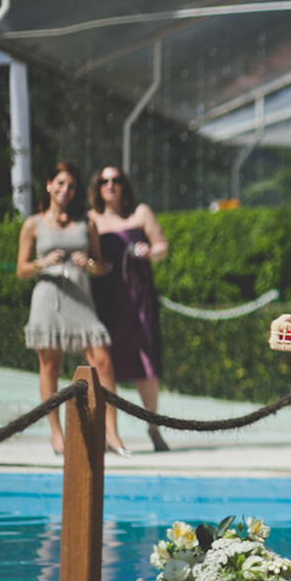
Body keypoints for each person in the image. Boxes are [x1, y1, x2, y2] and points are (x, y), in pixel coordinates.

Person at [16, 161, 129, 457]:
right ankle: (56, 435)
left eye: (71, 185)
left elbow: (101, 267)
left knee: (102, 359)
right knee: (49, 365)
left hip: (81, 298)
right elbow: (21, 270)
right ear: (49, 185)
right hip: (47, 299)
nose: (66, 190)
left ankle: (111, 434)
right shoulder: (33, 223)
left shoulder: (86, 223)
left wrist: (88, 263)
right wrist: (44, 262)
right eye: (61, 183)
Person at [88, 166, 171, 452]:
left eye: (116, 180)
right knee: (104, 365)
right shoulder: (91, 219)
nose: (110, 185)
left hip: (139, 299)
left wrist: (151, 251)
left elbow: (162, 246)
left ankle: (154, 428)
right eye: (104, 181)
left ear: (124, 185)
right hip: (105, 301)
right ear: (97, 187)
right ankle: (111, 433)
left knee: (146, 364)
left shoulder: (140, 213)